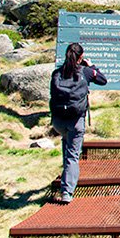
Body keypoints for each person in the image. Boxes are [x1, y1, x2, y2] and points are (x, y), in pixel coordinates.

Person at [50, 42, 107, 204]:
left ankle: (66, 178)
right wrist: (92, 65)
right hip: (76, 120)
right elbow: (103, 80)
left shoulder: (57, 73)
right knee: (73, 157)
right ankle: (67, 192)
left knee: (66, 146)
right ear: (81, 57)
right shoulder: (86, 72)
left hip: (58, 121)